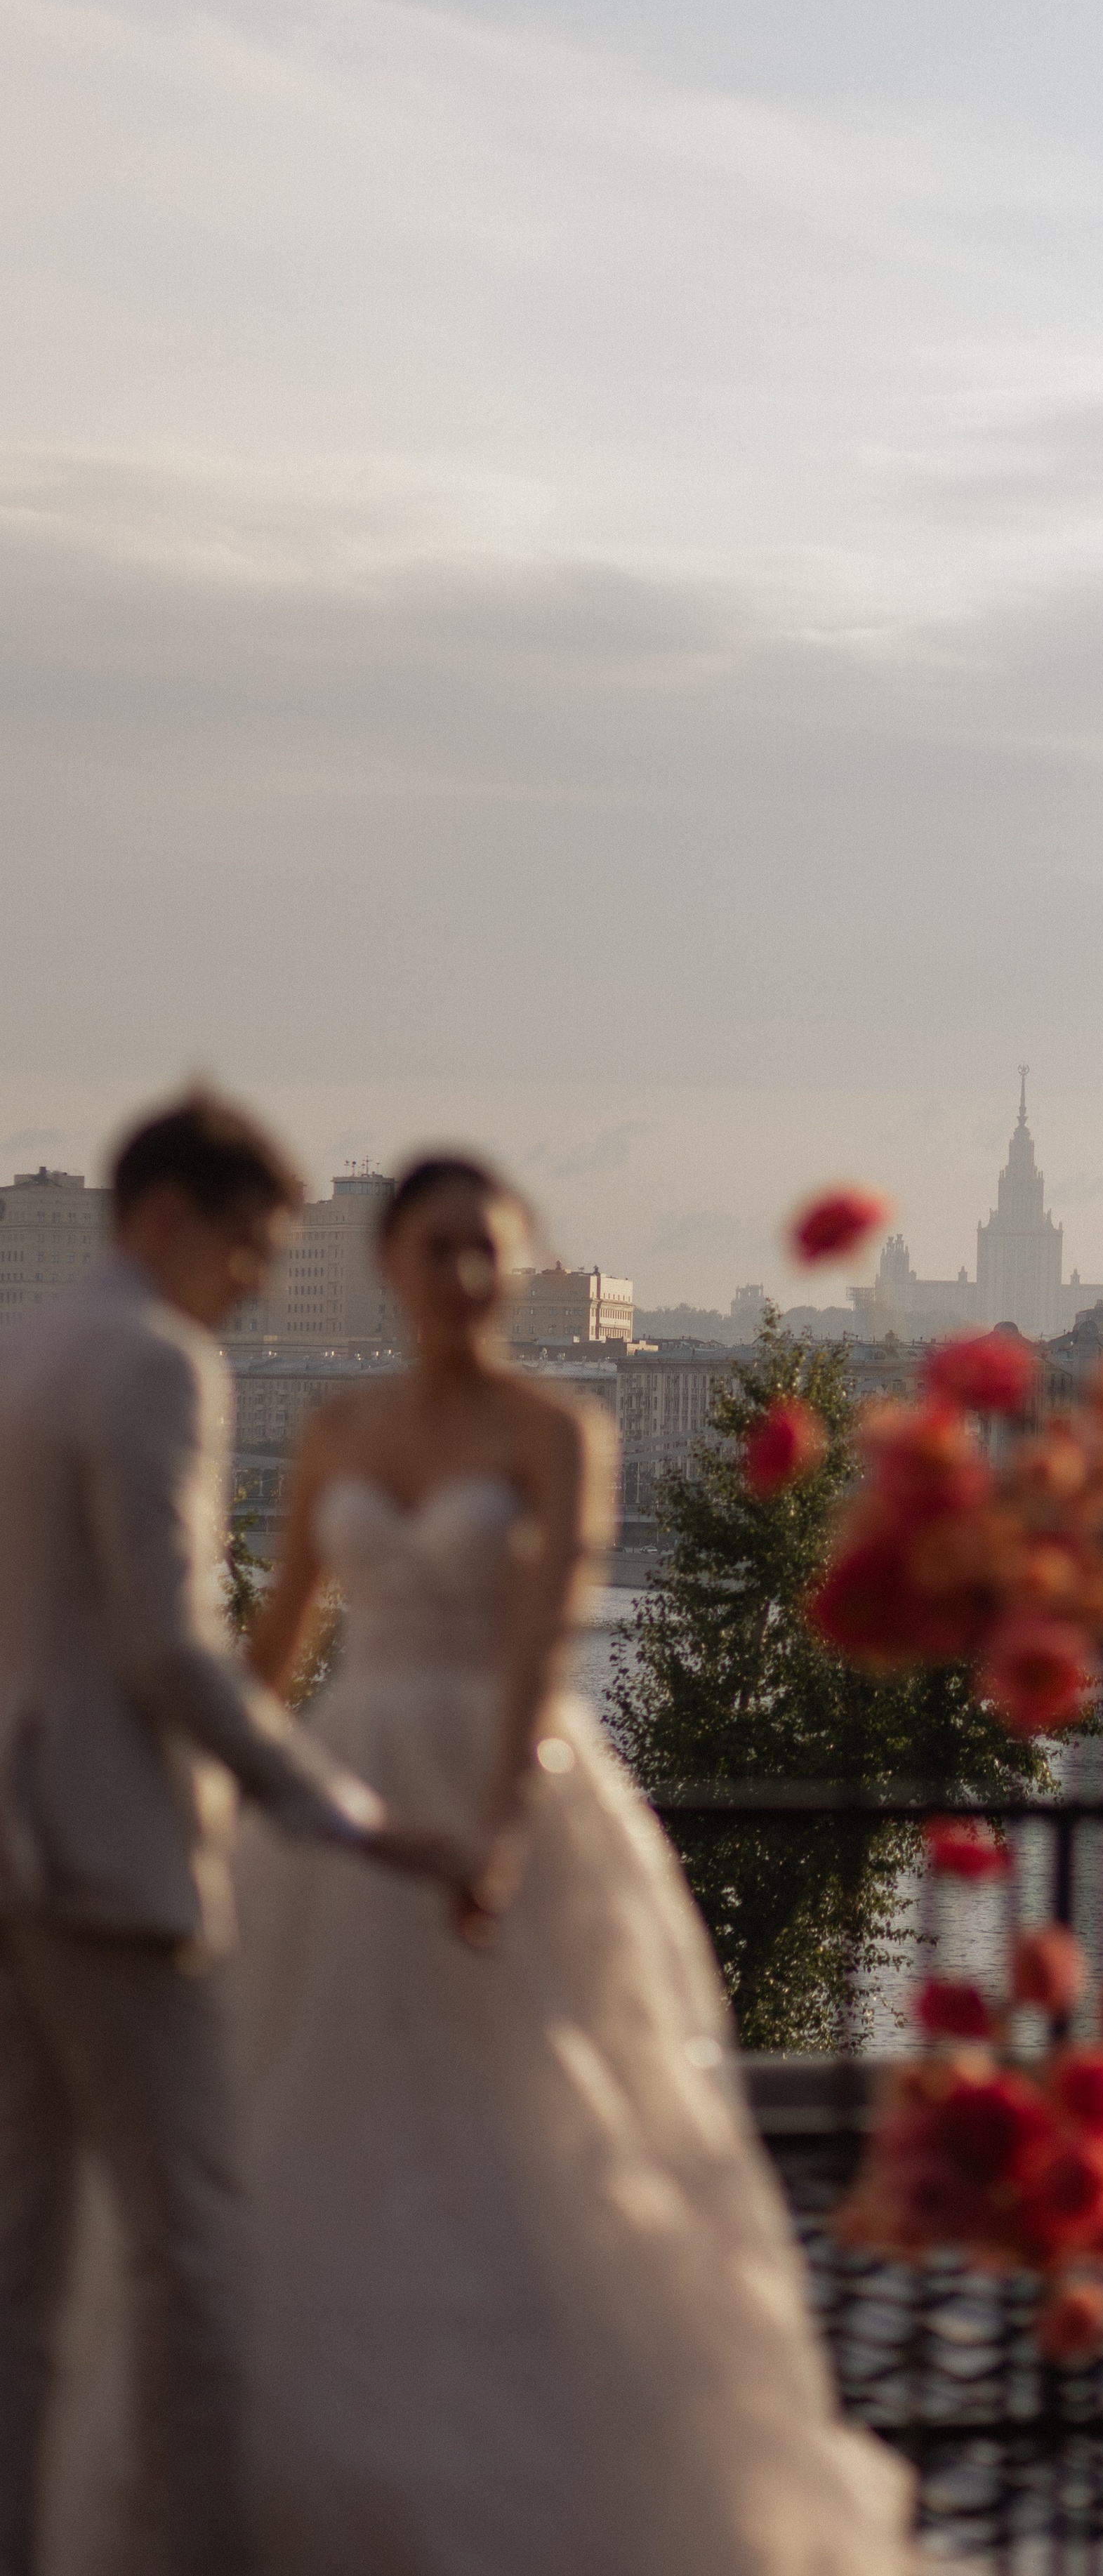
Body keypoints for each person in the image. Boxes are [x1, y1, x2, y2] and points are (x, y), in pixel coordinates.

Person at [57, 1151, 914, 2575]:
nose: (462, 1274)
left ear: (514, 1273)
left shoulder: (554, 1431)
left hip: (500, 1778)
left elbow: (540, 1643)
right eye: (436, 1246)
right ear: (388, 1261)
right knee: (303, 2109)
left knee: (539, 2118)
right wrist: (204, 1783)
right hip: (343, 1789)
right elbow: (283, 1640)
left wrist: (505, 1818)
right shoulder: (332, 1427)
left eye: (486, 1251)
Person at [0, 1095, 473, 2576]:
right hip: (113, 1861)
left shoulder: (27, 1346)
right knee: (196, 2260)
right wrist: (347, 1814)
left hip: (14, 1846)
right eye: (256, 1246)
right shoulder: (158, 1363)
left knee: (21, 2270)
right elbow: (171, 1653)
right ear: (167, 1217)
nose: (263, 1281)